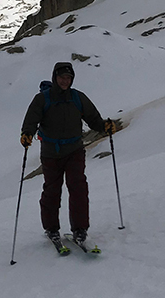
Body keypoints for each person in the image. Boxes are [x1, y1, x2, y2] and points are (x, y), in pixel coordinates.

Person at [20, 61, 116, 247]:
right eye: (62, 77)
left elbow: (93, 119)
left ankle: (80, 229)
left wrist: (104, 126)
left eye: (68, 78)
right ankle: (51, 228)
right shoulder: (42, 99)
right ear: (55, 78)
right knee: (52, 191)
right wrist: (26, 134)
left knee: (78, 188)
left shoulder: (78, 98)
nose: (65, 81)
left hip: (74, 150)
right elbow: (31, 120)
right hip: (50, 152)